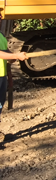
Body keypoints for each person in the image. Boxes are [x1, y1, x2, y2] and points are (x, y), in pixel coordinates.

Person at [0, 15, 28, 144]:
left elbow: (4, 51)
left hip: (2, 75)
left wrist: (12, 57)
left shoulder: (1, 35)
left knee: (0, 105)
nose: (0, 19)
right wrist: (16, 55)